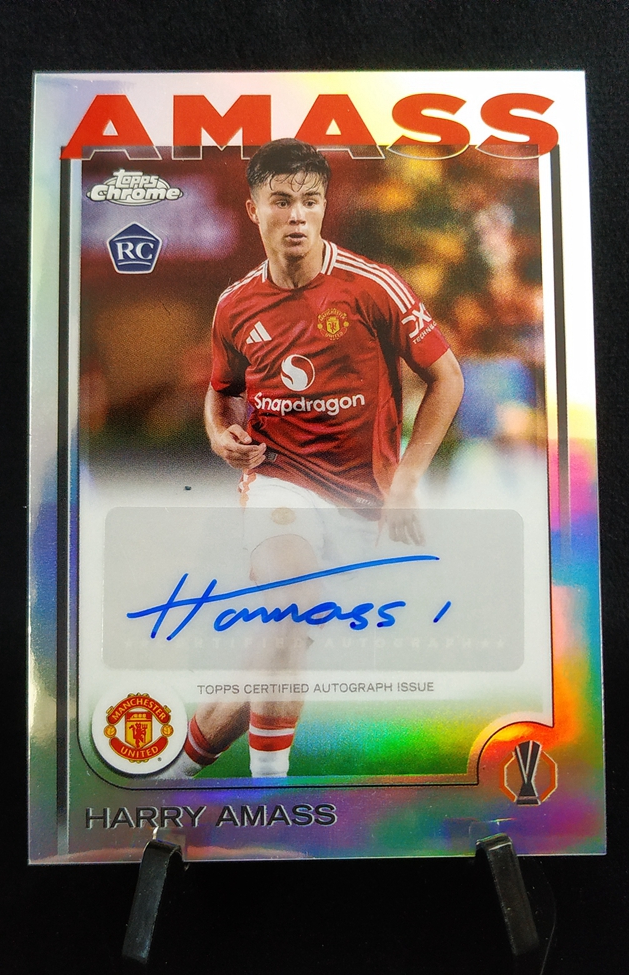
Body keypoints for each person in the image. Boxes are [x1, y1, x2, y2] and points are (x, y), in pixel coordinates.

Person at [172, 138, 463, 778]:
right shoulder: (235, 305)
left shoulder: (372, 287)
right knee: (290, 604)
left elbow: (447, 377)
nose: (297, 215)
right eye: (281, 201)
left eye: (309, 200)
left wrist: (407, 481)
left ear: (326, 206)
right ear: (253, 209)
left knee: (279, 645)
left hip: (365, 498)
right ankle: (270, 800)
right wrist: (220, 435)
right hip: (279, 482)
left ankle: (179, 770)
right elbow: (222, 394)